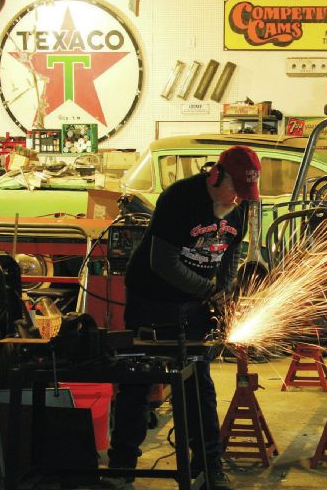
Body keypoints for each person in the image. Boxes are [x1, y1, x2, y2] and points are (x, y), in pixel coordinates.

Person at [106, 145, 261, 490]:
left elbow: (232, 252)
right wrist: (209, 291)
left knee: (198, 387)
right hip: (152, 299)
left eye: (244, 192)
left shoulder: (240, 205)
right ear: (216, 175)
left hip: (194, 306)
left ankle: (208, 466)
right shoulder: (180, 198)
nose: (237, 199)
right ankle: (121, 469)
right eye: (234, 189)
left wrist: (225, 290)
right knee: (137, 383)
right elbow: (163, 263)